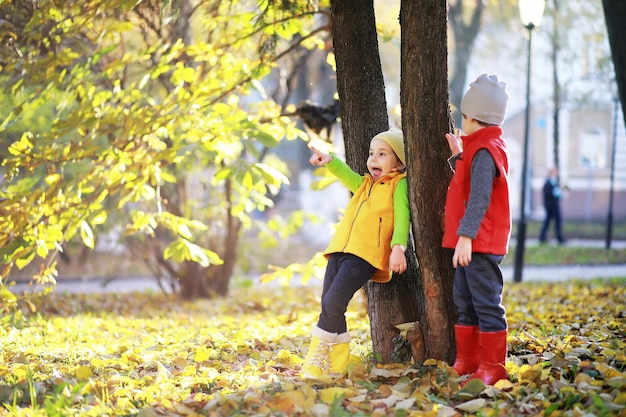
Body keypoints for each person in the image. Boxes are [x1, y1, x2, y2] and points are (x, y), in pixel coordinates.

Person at [302, 127, 410, 379]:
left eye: (383, 154)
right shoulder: (364, 184)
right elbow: (347, 176)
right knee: (330, 303)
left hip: (365, 255)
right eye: (372, 153)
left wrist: (398, 248)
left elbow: (403, 216)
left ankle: (315, 361)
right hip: (340, 249)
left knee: (333, 302)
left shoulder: (398, 185)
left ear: (399, 163)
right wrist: (330, 161)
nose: (374, 158)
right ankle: (338, 365)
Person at [442, 74, 511, 385]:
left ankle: (493, 366)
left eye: (464, 118)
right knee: (464, 298)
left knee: (485, 302)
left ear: (473, 119)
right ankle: (468, 360)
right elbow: (470, 181)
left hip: (479, 243)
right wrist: (459, 153)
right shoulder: (479, 147)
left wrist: (466, 237)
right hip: (471, 241)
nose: (462, 122)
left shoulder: (485, 152)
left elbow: (481, 196)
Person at [539, 167, 566, 244]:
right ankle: (557, 238)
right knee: (555, 221)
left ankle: (543, 237)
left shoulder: (553, 183)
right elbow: (550, 194)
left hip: (553, 206)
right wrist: (559, 191)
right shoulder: (548, 183)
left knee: (548, 222)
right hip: (551, 207)